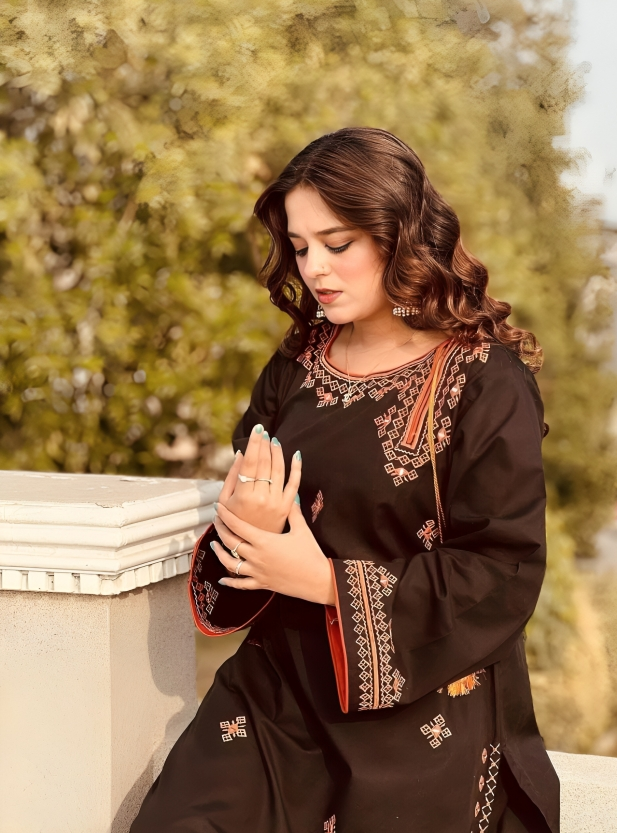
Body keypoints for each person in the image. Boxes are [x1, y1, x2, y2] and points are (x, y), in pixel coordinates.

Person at [131, 127, 559, 833]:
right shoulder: (300, 360)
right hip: (276, 697)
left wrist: (325, 581)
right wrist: (252, 524)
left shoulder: (486, 383)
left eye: (337, 244)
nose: (315, 269)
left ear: (398, 235)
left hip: (423, 711)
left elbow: (502, 568)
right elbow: (248, 506)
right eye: (300, 247)